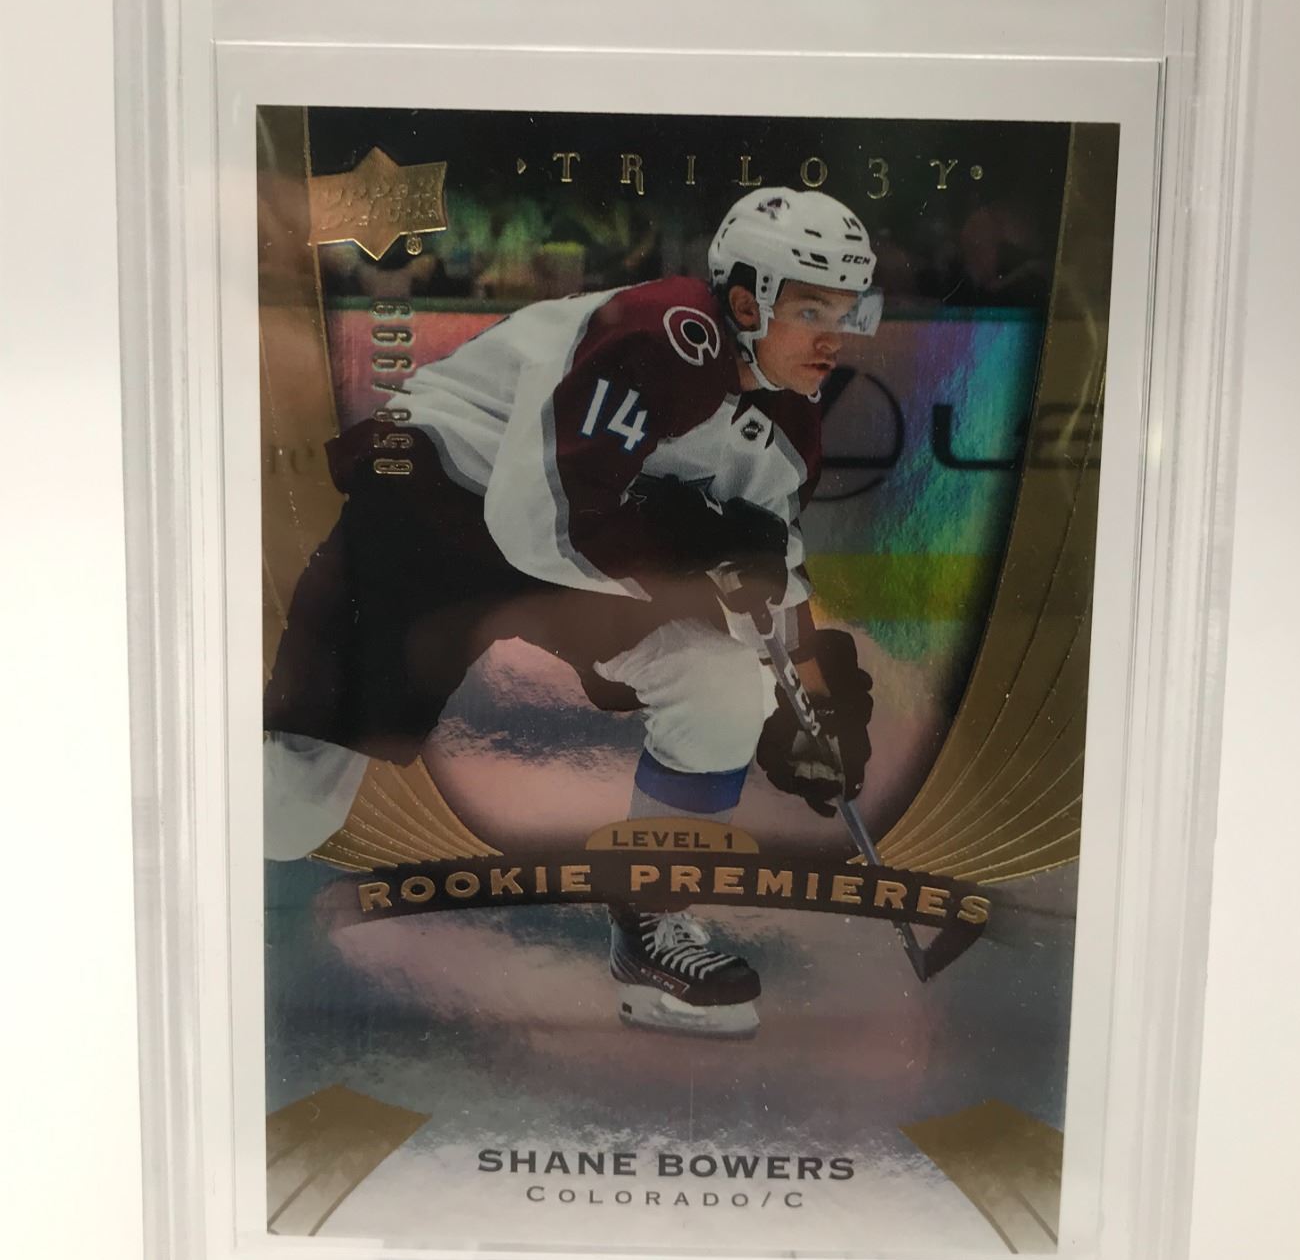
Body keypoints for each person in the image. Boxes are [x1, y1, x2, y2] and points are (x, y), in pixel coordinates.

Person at [264, 187, 880, 1037]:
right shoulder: (658, 335)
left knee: (724, 683)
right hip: (436, 511)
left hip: (581, 542)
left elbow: (766, 576)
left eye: (847, 313)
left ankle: (653, 926)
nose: (833, 338)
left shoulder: (788, 424)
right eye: (811, 310)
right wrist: (696, 544)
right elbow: (539, 521)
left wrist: (812, 701)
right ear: (747, 304)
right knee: (290, 811)